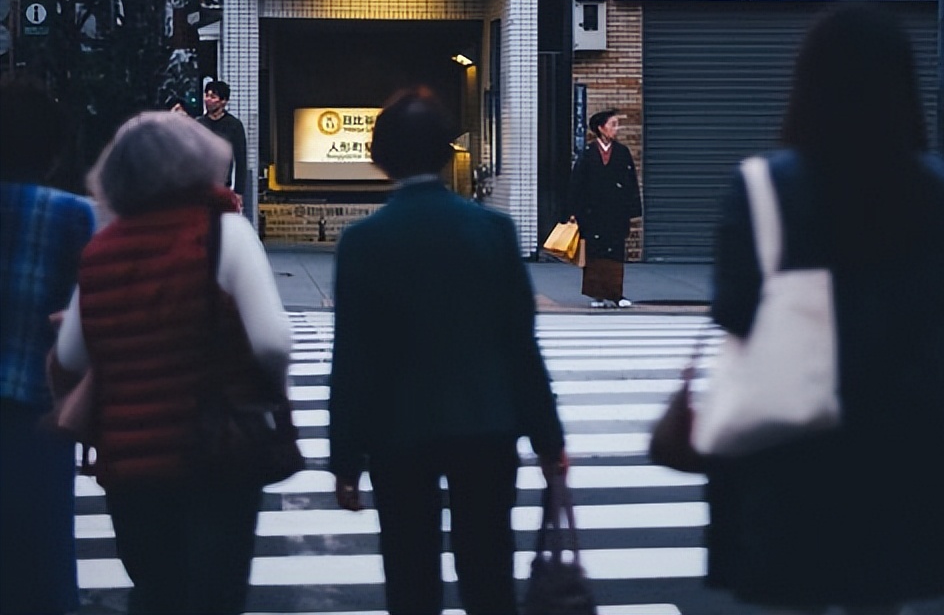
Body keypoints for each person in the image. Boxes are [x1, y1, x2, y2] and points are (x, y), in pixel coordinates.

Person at [705, 4, 944, 614]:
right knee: (879, 598)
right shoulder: (933, 187)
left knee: (798, 589)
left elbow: (734, 311)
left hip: (792, 445)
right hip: (903, 442)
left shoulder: (762, 186)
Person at [330, 87, 568, 615]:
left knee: (410, 576)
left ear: (379, 156)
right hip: (486, 425)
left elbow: (353, 358)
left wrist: (345, 457)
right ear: (446, 152)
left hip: (398, 432)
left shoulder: (364, 242)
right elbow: (519, 344)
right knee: (488, 571)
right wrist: (548, 438)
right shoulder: (493, 231)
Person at [53, 111, 292, 614]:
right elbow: (273, 342)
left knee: (157, 591)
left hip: (131, 463)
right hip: (216, 453)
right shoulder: (225, 233)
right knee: (214, 595)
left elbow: (71, 354)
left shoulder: (101, 249)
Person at [0, 86, 96, 615]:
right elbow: (82, 322)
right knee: (41, 562)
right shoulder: (69, 214)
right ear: (51, 151)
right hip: (37, 407)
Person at [566, 109, 642, 308]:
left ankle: (616, 293)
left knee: (615, 251)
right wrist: (574, 211)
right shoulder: (588, 153)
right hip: (593, 211)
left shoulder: (622, 152)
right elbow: (577, 184)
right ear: (601, 128)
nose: (616, 129)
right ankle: (597, 293)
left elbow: (630, 181)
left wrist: (633, 208)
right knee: (595, 252)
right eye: (613, 124)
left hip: (616, 210)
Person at [196, 79, 248, 209]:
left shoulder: (234, 125)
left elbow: (241, 160)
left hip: (223, 186)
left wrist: (239, 191)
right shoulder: (198, 123)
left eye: (213, 97)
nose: (208, 99)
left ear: (223, 101)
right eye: (206, 95)